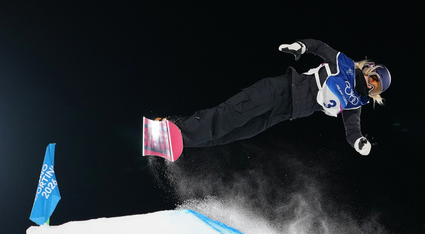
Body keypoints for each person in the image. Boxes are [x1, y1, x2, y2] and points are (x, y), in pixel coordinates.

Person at [165, 39, 390, 155]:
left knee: (233, 133)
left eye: (376, 86)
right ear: (370, 70)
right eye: (374, 78)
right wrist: (301, 46)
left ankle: (178, 141)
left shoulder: (355, 104)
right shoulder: (345, 64)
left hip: (285, 113)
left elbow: (352, 131)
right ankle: (174, 128)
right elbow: (319, 47)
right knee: (231, 115)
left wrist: (360, 142)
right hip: (281, 89)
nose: (371, 84)